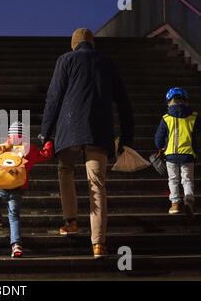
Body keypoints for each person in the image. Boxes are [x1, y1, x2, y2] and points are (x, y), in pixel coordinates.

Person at [39, 28, 134, 259]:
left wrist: (45, 134)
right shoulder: (107, 62)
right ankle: (98, 244)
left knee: (66, 170)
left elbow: (54, 98)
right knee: (97, 183)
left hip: (69, 130)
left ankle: (71, 221)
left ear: (74, 44)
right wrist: (126, 138)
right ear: (92, 44)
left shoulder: (65, 60)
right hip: (99, 132)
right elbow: (123, 102)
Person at [0, 122, 54, 258]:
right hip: (17, 188)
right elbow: (45, 155)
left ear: (9, 135)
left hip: (0, 187)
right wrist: (48, 142)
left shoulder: (2, 147)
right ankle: (16, 245)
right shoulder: (30, 149)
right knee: (14, 217)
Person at [155, 87, 198, 217]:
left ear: (169, 102)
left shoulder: (166, 118)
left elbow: (158, 138)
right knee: (187, 179)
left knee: (173, 179)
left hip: (171, 155)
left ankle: (175, 204)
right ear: (186, 101)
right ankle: (189, 199)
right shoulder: (194, 117)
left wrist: (160, 146)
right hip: (188, 154)